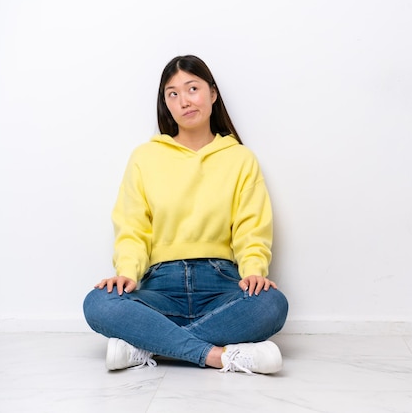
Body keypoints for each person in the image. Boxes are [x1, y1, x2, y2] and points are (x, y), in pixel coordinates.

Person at [83, 55, 288, 374]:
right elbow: (133, 227)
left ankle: (147, 346)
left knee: (272, 305)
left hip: (222, 284)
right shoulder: (145, 157)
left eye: (192, 88)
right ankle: (221, 356)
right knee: (98, 303)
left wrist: (254, 269)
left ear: (212, 93)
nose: (184, 101)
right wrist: (126, 272)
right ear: (166, 104)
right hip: (159, 286)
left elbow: (251, 228)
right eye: (173, 94)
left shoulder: (240, 159)